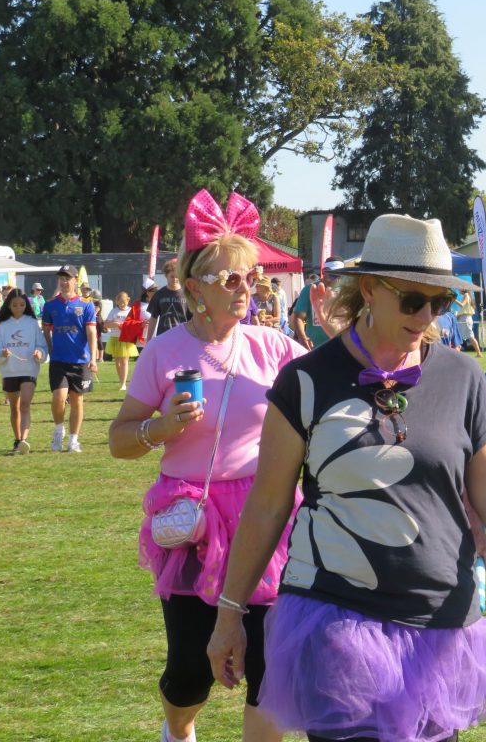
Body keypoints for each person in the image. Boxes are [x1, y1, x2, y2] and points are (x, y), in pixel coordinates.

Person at [207, 214, 486, 742]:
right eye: (413, 300)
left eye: (440, 302)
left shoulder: (462, 377)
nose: (427, 316)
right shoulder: (306, 380)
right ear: (370, 289)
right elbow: (268, 504)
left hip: (440, 621)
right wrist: (229, 613)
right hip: (339, 617)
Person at [109, 189, 306, 742]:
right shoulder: (164, 352)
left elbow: (331, 390)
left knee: (268, 663)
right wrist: (159, 429)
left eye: (252, 277)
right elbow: (119, 441)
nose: (247, 289)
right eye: (231, 279)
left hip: (267, 515)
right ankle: (179, 729)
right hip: (192, 521)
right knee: (190, 670)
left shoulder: (275, 347)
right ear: (194, 288)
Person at [42, 264, 98, 453]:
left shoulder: (86, 304)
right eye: (61, 278)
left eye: (67, 278)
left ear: (75, 281)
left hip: (81, 361)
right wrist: (50, 351)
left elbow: (91, 332)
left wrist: (93, 358)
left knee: (77, 400)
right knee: (58, 398)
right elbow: (46, 331)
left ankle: (74, 440)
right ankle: (59, 430)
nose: (64, 282)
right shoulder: (50, 305)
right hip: (59, 361)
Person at [0, 288, 47, 454]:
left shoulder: (32, 323)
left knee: (25, 404)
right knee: (14, 408)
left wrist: (39, 353)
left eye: (22, 305)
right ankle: (17, 440)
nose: (18, 308)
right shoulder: (2, 326)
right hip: (10, 371)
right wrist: (1, 353)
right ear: (9, 305)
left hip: (29, 370)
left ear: (26, 305)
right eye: (15, 305)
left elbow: (42, 346)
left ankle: (23, 440)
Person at [290, 258, 344, 350]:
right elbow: (299, 317)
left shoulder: (345, 291)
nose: (336, 279)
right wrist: (303, 338)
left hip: (339, 346)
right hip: (314, 348)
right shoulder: (310, 290)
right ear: (324, 272)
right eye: (332, 275)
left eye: (339, 276)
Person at [147, 258, 190, 342]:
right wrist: (148, 340)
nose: (175, 279)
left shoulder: (188, 295)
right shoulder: (159, 294)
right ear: (166, 276)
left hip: (183, 338)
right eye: (172, 276)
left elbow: (193, 319)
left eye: (177, 277)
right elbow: (153, 318)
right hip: (163, 338)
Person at [105, 291, 140, 391]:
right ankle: (121, 381)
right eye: (120, 302)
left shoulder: (131, 310)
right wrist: (115, 324)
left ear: (128, 300)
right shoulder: (113, 311)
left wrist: (127, 326)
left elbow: (136, 323)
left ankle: (123, 384)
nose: (122, 304)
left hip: (126, 338)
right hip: (115, 338)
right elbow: (106, 324)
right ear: (117, 301)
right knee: (117, 361)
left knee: (124, 361)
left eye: (124, 302)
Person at [455, 290, 482, 355]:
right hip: (463, 319)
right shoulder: (466, 295)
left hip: (465, 319)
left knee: (470, 336)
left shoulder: (466, 295)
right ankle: (457, 352)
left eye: (460, 288)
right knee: (460, 336)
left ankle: (479, 353)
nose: (459, 290)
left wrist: (454, 300)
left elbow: (462, 305)